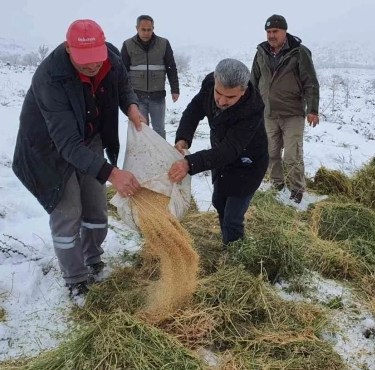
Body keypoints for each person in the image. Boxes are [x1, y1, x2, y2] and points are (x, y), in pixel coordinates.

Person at [12, 19, 146, 297]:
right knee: (69, 209)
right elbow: (67, 144)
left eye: (96, 60)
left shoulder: (111, 57)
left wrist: (132, 108)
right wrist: (113, 173)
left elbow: (122, 87)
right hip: (49, 148)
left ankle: (93, 258)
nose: (92, 66)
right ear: (67, 48)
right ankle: (75, 278)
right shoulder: (50, 77)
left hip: (89, 136)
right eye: (84, 62)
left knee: (96, 206)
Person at [168, 59, 268, 246]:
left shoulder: (252, 108)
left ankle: (235, 256)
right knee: (219, 202)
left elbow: (230, 150)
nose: (221, 101)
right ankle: (227, 242)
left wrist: (189, 163)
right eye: (218, 93)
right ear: (215, 81)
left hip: (248, 163)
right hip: (220, 158)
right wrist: (183, 138)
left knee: (233, 217)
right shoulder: (209, 85)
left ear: (243, 90)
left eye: (230, 98)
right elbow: (193, 111)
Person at [250, 14, 320, 204]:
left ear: (284, 31)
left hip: (292, 114)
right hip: (268, 113)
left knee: (291, 155)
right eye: (268, 32)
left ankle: (296, 189)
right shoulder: (261, 52)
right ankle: (277, 184)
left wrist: (312, 109)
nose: (271, 35)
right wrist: (249, 107)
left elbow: (310, 82)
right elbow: (253, 82)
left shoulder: (299, 52)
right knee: (271, 153)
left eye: (275, 31)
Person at [120, 14, 180, 139]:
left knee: (159, 130)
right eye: (143, 29)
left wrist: (175, 89)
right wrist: (123, 95)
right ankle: (143, 157)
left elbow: (171, 67)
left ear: (153, 28)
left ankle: (161, 156)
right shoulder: (127, 45)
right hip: (137, 97)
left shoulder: (163, 44)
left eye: (149, 29)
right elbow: (122, 72)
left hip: (157, 96)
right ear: (137, 28)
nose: (146, 33)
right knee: (141, 129)